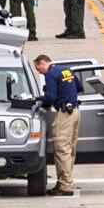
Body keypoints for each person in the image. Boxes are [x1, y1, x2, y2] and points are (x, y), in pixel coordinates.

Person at [33, 54, 83, 196]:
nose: (39, 72)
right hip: (75, 112)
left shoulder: (50, 74)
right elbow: (79, 87)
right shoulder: (67, 70)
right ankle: (63, 182)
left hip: (64, 114)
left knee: (62, 150)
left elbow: (50, 97)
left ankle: (65, 186)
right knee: (69, 150)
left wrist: (36, 98)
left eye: (38, 69)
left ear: (42, 63)